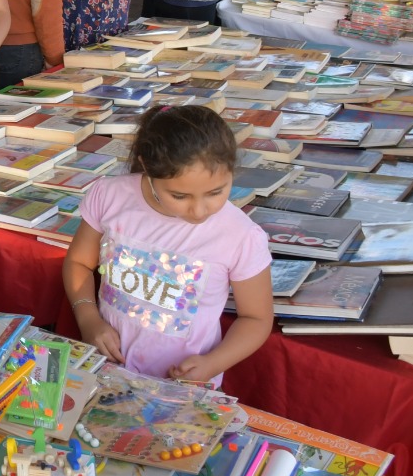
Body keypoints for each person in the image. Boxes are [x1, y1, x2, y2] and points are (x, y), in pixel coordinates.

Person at [63, 105, 271, 384]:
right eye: (180, 196)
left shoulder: (241, 236)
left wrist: (212, 363)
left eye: (216, 192)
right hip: (106, 372)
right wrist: (88, 318)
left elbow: (256, 319)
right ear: (147, 168)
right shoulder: (110, 195)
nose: (199, 211)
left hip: (182, 391)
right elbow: (78, 262)